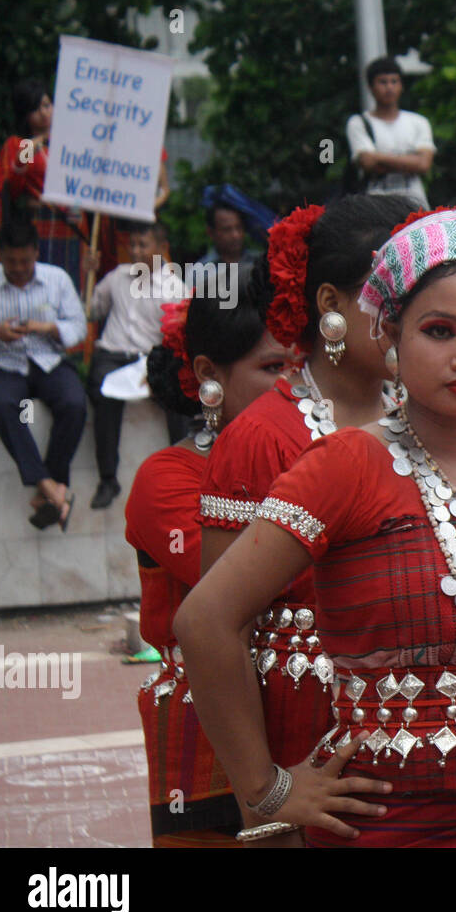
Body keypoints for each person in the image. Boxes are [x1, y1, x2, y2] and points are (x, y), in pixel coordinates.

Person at [177, 209, 456, 846]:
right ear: (391, 333)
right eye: (438, 330)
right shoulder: (346, 464)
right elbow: (204, 621)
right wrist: (268, 792)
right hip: (385, 820)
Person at [193, 194, 414, 842]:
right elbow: (214, 628)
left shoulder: (431, 420)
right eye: (390, 300)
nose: (411, 319)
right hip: (306, 736)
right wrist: (267, 791)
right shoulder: (262, 436)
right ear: (329, 305)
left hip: (417, 737)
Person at [129, 281, 294, 847]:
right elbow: (246, 585)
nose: (294, 386)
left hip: (313, 715)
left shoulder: (324, 457)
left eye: (302, 365)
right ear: (209, 374)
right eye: (274, 367)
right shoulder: (167, 477)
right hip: (206, 729)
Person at [0, 219, 87, 530]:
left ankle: (47, 490)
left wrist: (48, 328)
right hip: (4, 363)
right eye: (11, 262)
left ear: (36, 253)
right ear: (0, 255)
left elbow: (78, 327)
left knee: (74, 403)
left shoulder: (57, 279)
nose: (18, 268)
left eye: (25, 261)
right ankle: (52, 488)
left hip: (48, 360)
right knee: (1, 406)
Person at [86, 222, 188, 509]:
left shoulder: (175, 287)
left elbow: (176, 340)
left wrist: (154, 373)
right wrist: (89, 275)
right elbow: (92, 311)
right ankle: (108, 479)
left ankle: (182, 472)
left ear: (160, 248)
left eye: (142, 245)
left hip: (150, 356)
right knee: (102, 391)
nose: (135, 251)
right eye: (132, 245)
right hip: (113, 353)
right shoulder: (117, 276)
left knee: (177, 391)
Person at [0, 80, 87, 291]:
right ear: (25, 114)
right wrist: (29, 149)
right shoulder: (20, 143)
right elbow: (10, 189)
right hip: (40, 225)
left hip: (74, 224)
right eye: (35, 109)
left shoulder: (71, 142)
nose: (43, 113)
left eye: (46, 105)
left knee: (73, 285)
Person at [346, 56, 436, 203]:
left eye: (394, 81)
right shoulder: (359, 123)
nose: (389, 87)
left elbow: (424, 164)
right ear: (371, 87)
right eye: (383, 82)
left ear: (401, 85)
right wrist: (411, 161)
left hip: (415, 202)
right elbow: (367, 163)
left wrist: (378, 157)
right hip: (375, 204)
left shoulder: (418, 122)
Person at [187, 205, 261, 295]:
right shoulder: (198, 273)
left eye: (238, 227)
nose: (235, 235)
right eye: (227, 229)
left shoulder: (260, 263)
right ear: (211, 232)